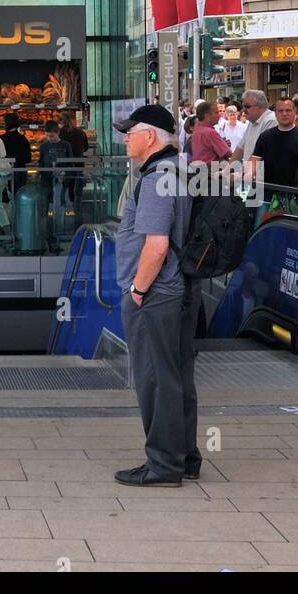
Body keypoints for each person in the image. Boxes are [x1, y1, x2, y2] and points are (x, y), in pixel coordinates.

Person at [114, 104, 200, 487]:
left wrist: (137, 290)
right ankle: (184, 459)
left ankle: (163, 464)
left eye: (130, 132)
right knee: (177, 374)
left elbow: (157, 245)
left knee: (155, 378)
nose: (125, 139)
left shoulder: (155, 178)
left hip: (157, 293)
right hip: (178, 289)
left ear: (149, 136)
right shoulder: (177, 170)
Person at [249, 97, 298, 200]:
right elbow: (254, 161)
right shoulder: (265, 136)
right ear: (275, 113)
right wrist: (246, 174)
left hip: (295, 195)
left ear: (295, 111)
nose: (284, 114)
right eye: (280, 111)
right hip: (268, 194)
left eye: (288, 110)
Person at [37, 119, 72, 248]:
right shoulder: (44, 146)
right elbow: (40, 164)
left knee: (59, 209)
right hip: (46, 181)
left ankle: (59, 234)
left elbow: (70, 163)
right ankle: (46, 235)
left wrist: (65, 174)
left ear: (58, 133)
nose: (49, 138)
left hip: (61, 183)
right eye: (47, 135)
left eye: (51, 135)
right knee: (44, 209)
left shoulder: (65, 145)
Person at [237, 90, 276, 169]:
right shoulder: (252, 121)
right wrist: (227, 170)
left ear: (260, 106)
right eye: (243, 106)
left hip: (263, 176)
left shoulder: (271, 120)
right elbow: (240, 148)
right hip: (251, 175)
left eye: (247, 106)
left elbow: (260, 153)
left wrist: (242, 174)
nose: (243, 110)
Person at [187, 99, 231, 169]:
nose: (219, 116)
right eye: (216, 113)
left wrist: (223, 145)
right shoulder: (210, 132)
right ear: (207, 116)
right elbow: (228, 153)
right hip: (213, 173)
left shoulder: (196, 132)